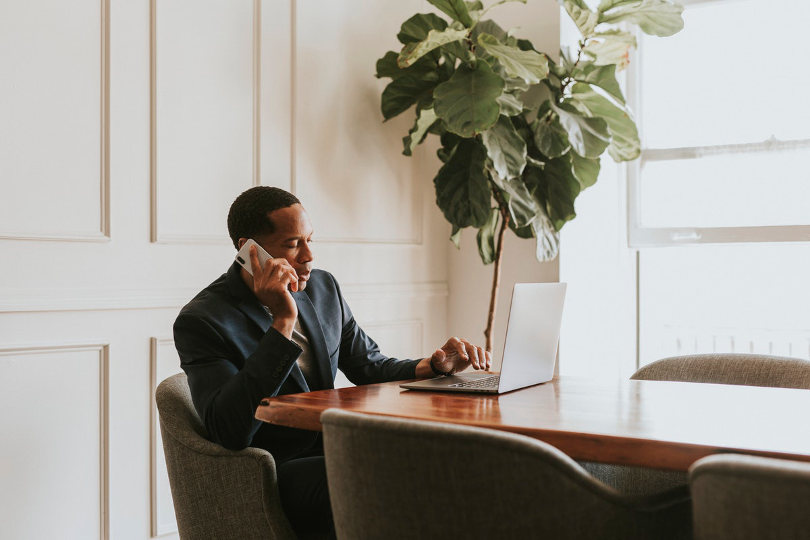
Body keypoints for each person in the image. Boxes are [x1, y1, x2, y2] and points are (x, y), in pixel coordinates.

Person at [173, 186, 491, 537]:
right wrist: (282, 323)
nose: (309, 256)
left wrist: (433, 366)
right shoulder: (203, 321)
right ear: (250, 251)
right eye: (293, 244)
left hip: (336, 447)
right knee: (391, 481)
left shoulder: (323, 289)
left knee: (436, 465)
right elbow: (229, 429)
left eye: (310, 240)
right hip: (275, 467)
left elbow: (368, 366)